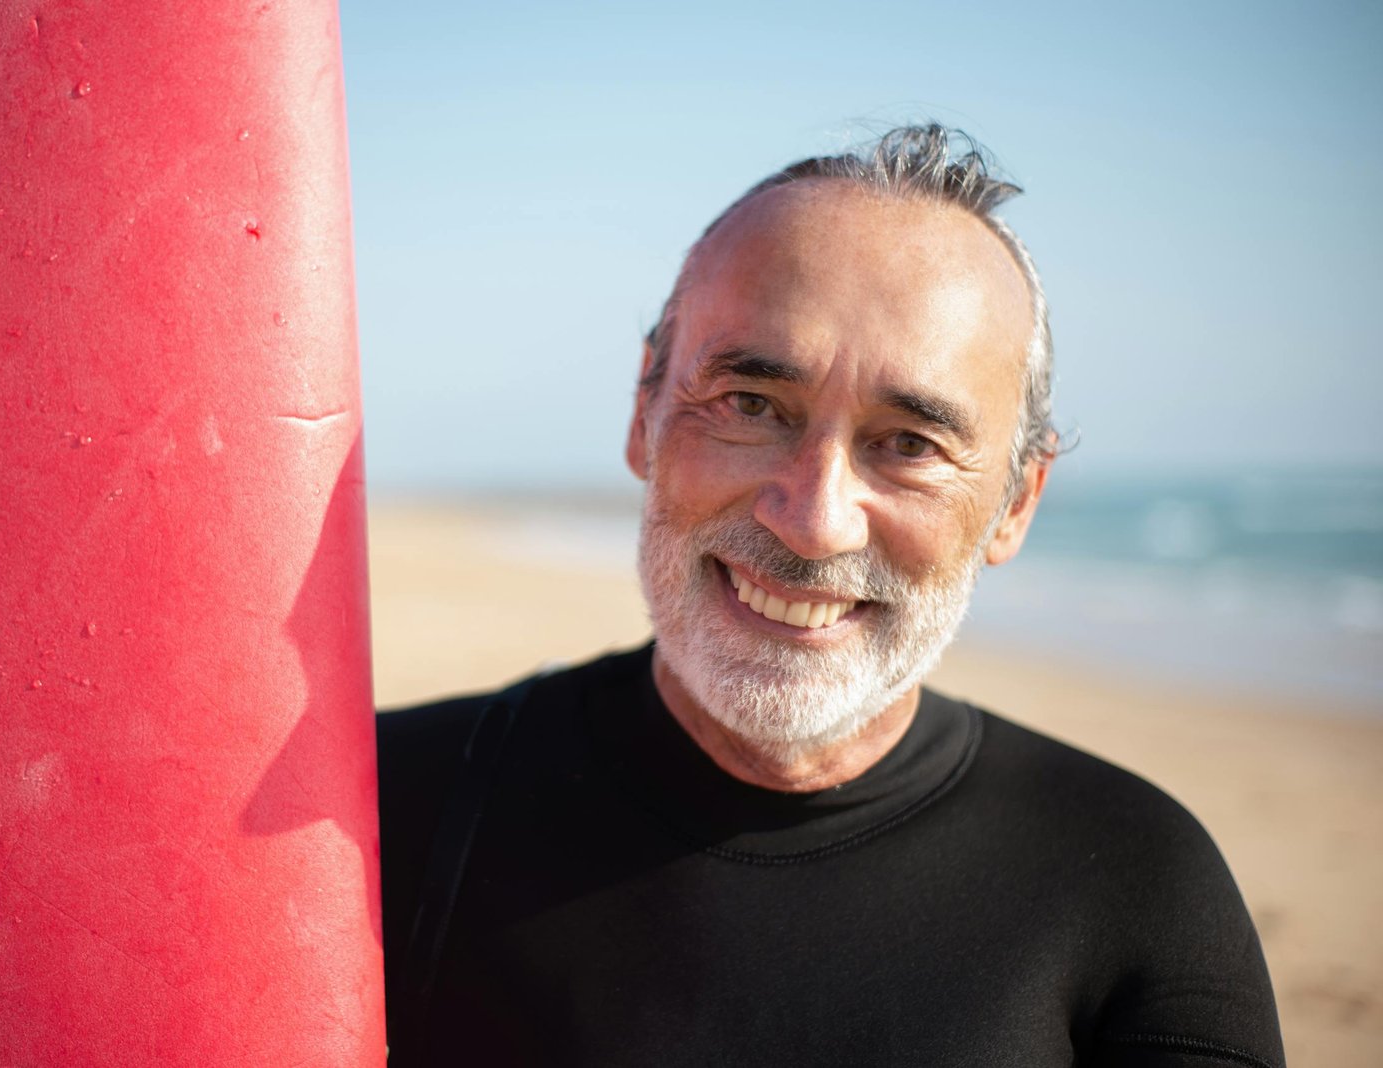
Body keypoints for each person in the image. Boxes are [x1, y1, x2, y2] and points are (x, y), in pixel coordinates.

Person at [376, 125, 1283, 1066]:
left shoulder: (1138, 884)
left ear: (1015, 503)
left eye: (910, 444)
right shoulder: (385, 811)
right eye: (752, 406)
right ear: (644, 409)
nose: (813, 522)